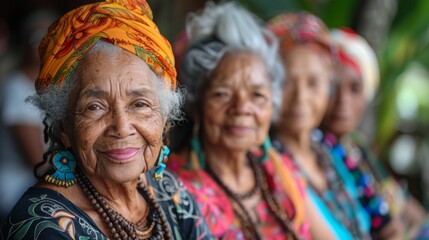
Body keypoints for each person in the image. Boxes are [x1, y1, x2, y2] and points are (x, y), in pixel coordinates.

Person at [0, 0, 212, 239]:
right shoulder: (40, 224)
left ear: (163, 119)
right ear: (63, 127)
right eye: (94, 107)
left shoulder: (171, 194)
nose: (121, 127)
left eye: (140, 104)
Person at [168, 2, 334, 239]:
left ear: (272, 103)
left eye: (257, 95)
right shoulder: (173, 190)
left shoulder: (280, 172)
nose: (242, 109)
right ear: (197, 103)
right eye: (222, 94)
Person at [268, 13, 371, 239]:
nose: (300, 97)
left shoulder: (329, 152)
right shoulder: (271, 163)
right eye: (286, 83)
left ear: (328, 87)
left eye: (313, 83)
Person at [322, 28, 426, 239]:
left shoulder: (356, 146)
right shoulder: (320, 153)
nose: (343, 103)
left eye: (355, 89)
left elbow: (413, 210)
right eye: (332, 89)